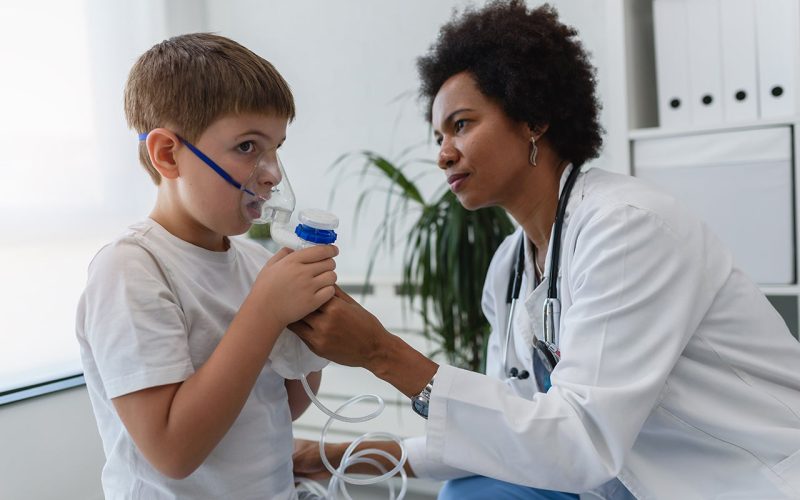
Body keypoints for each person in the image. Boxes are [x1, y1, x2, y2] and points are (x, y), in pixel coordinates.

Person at [290, 2, 800, 499]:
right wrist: (335, 455)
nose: (443, 154)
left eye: (461, 125)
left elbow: (580, 442)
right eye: (439, 135)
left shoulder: (627, 228)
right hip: (623, 478)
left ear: (532, 119)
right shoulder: (509, 268)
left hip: (745, 479)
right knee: (472, 491)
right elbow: (511, 432)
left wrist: (380, 352)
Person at [75, 33, 338, 499]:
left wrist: (307, 327)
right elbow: (173, 452)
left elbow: (282, 408)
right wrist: (266, 311)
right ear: (167, 154)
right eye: (247, 146)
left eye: (276, 148)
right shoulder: (132, 269)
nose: (273, 173)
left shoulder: (256, 263)